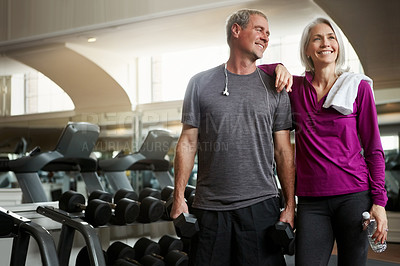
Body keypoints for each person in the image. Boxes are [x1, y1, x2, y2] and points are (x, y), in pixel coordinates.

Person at [170, 9, 296, 266]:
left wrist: (290, 204)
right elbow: (188, 142)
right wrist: (179, 197)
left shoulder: (276, 88)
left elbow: (283, 151)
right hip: (210, 208)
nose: (266, 37)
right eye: (259, 29)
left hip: (261, 206)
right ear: (236, 31)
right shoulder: (200, 83)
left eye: (268, 33)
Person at [259, 17, 388, 266]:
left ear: (338, 45)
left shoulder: (358, 87)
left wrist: (379, 202)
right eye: (317, 38)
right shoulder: (295, 89)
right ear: (307, 49)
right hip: (311, 202)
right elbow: (257, 69)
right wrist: (279, 66)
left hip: (354, 196)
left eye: (330, 37)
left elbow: (373, 149)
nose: (325, 43)